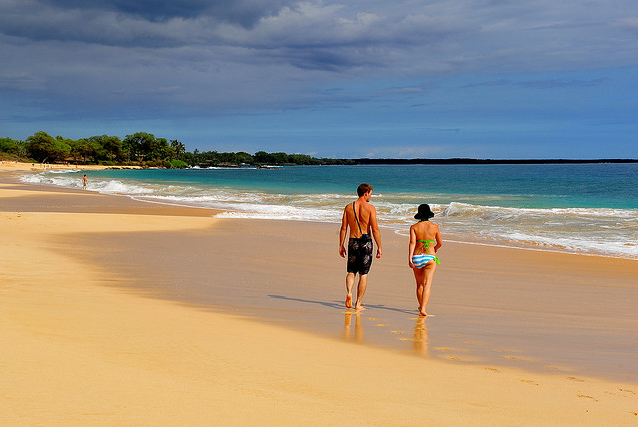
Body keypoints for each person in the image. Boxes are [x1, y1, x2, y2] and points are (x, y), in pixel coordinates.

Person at [339, 183, 382, 310]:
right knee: (363, 274)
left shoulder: (348, 207)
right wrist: (379, 246)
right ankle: (358, 304)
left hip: (352, 241)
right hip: (366, 243)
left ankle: (349, 293)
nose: (370, 196)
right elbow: (375, 229)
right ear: (366, 193)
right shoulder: (370, 208)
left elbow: (343, 228)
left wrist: (341, 245)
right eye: (370, 194)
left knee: (351, 271)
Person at [408, 204, 442, 316]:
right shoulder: (434, 227)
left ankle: (420, 304)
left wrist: (410, 258)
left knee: (419, 284)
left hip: (417, 257)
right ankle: (423, 308)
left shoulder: (414, 227)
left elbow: (412, 243)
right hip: (429, 257)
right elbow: (440, 243)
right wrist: (435, 249)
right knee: (427, 284)